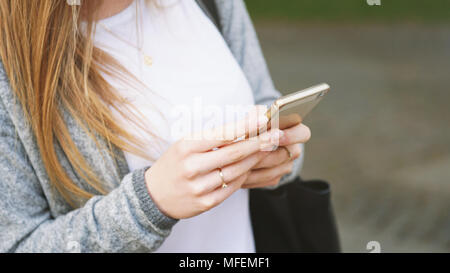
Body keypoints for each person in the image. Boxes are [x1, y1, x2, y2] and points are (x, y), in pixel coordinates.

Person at [0, 0, 311, 252]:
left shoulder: (213, 4)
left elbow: (262, 99)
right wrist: (150, 203)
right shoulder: (10, 60)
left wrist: (280, 156)